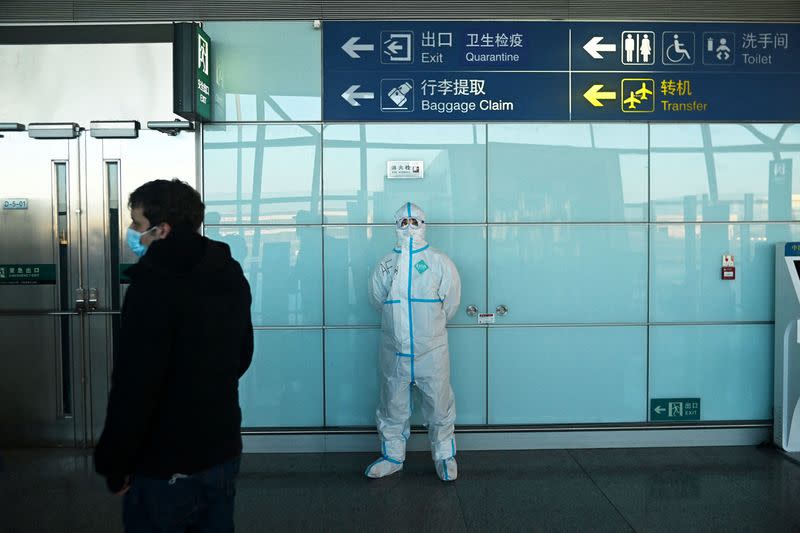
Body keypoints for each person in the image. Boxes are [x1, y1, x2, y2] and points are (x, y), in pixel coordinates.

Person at [94, 179, 253, 531]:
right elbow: (242, 355)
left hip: (164, 460)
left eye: (136, 223)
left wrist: (115, 462)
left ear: (162, 229)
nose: (132, 232)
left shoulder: (152, 287)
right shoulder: (229, 273)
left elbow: (134, 387)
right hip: (222, 449)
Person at [365, 202, 461, 481]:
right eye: (403, 222)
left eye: (414, 221)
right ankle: (392, 456)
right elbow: (377, 300)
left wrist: (428, 329)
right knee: (392, 404)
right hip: (394, 350)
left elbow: (451, 304)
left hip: (431, 349)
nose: (409, 227)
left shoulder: (439, 262)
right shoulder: (385, 264)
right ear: (396, 226)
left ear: (424, 224)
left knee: (439, 405)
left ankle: (444, 457)